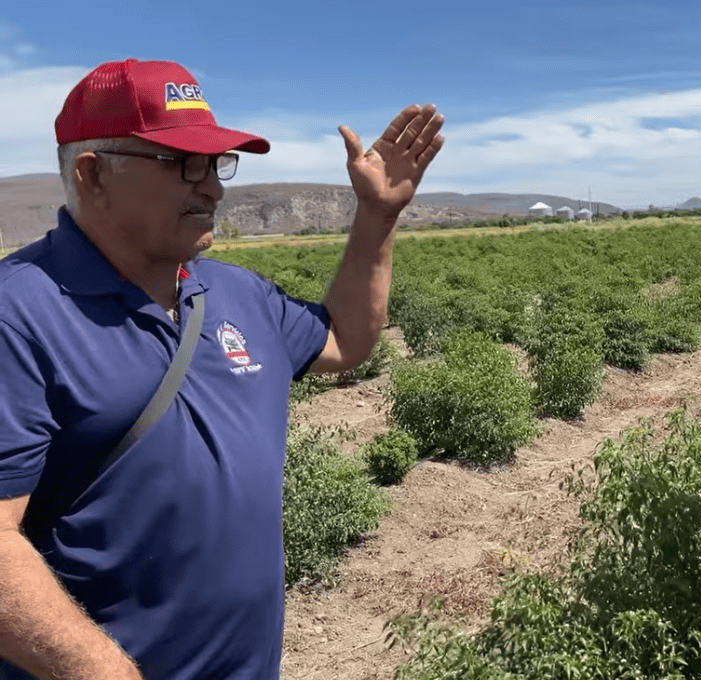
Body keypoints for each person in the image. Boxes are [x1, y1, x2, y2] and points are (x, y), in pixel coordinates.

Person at [0, 59, 443, 679]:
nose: (211, 188)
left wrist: (378, 216)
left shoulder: (238, 295)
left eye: (214, 164)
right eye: (181, 163)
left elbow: (345, 340)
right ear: (92, 173)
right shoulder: (18, 312)